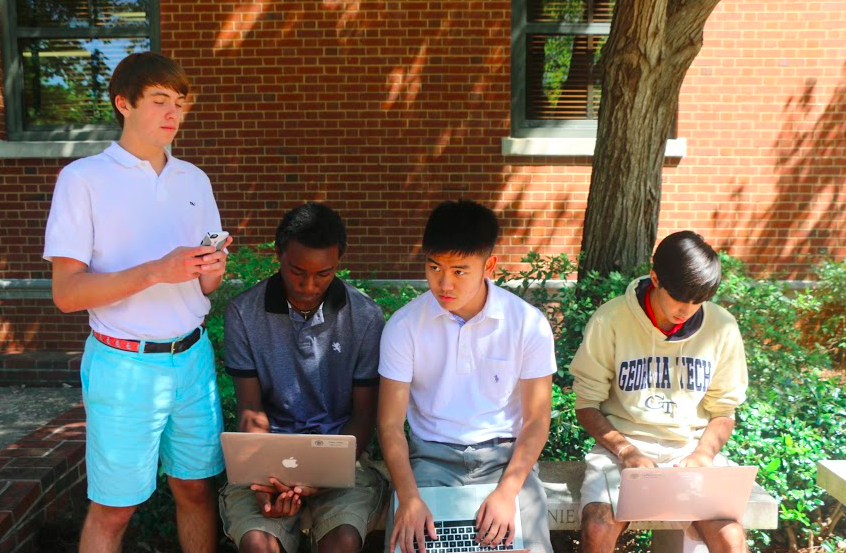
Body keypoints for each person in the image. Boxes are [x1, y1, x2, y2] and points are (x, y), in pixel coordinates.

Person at [43, 52, 231, 553]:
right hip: (125, 364)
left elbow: (206, 286)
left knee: (195, 489)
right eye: (159, 101)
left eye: (180, 103)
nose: (173, 113)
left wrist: (212, 271)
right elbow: (66, 294)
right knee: (114, 508)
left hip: (192, 359)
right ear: (123, 103)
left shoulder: (195, 180)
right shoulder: (83, 179)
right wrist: (155, 271)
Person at [377, 200, 555, 553]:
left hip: (506, 459)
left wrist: (507, 492)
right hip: (430, 460)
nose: (445, 283)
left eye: (460, 271)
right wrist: (409, 497)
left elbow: (536, 419)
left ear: (489, 265)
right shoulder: (404, 326)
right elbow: (390, 425)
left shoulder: (527, 323)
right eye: (434, 267)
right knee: (412, 544)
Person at [220, 203, 388, 553]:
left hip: (343, 460)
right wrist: (272, 480)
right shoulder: (243, 313)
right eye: (296, 271)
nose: (309, 285)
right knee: (257, 544)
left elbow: (363, 416)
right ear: (278, 255)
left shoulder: (366, 317)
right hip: (266, 461)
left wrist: (323, 477)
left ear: (339, 262)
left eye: (323, 274)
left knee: (342, 541)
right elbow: (251, 410)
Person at [570, 231, 749, 553]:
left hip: (691, 449)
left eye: (698, 302)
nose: (687, 310)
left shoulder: (723, 326)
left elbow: (724, 411)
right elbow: (586, 404)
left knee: (730, 534)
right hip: (621, 450)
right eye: (679, 299)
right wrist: (626, 452)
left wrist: (703, 454)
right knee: (597, 524)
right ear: (654, 278)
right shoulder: (610, 319)